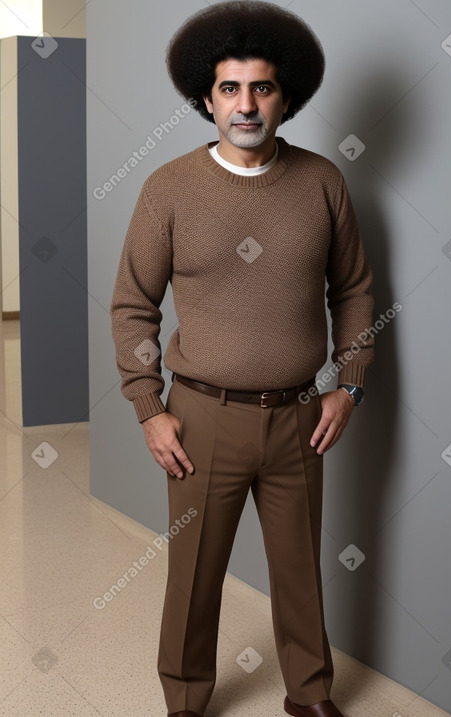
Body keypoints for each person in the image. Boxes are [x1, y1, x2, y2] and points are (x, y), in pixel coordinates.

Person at [110, 2, 374, 715]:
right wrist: (149, 406)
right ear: (206, 97)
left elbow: (353, 290)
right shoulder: (168, 188)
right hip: (201, 417)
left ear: (286, 97)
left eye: (262, 88)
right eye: (230, 89)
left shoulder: (322, 182)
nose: (246, 104)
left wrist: (348, 385)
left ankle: (309, 692)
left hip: (298, 416)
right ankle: (188, 697)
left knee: (299, 570)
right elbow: (134, 302)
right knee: (193, 574)